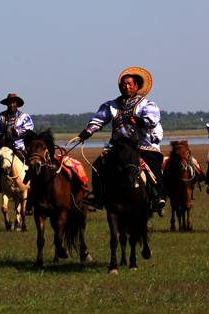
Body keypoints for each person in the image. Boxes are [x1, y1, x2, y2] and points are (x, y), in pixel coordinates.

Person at [70, 67, 166, 212]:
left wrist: (139, 121)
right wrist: (86, 132)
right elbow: (98, 120)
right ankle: (99, 198)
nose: (126, 87)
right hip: (118, 146)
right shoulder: (112, 105)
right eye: (123, 84)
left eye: (129, 84)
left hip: (141, 146)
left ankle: (157, 197)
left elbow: (152, 119)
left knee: (152, 165)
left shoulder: (147, 104)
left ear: (136, 86)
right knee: (98, 165)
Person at [0, 92, 34, 192]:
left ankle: (30, 183)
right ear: (7, 104)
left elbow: (29, 129)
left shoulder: (24, 116)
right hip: (5, 147)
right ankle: (1, 184)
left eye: (13, 103)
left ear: (17, 104)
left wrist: (17, 132)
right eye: (9, 103)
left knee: (31, 163)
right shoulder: (0, 117)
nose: (11, 105)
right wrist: (4, 133)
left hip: (20, 146)